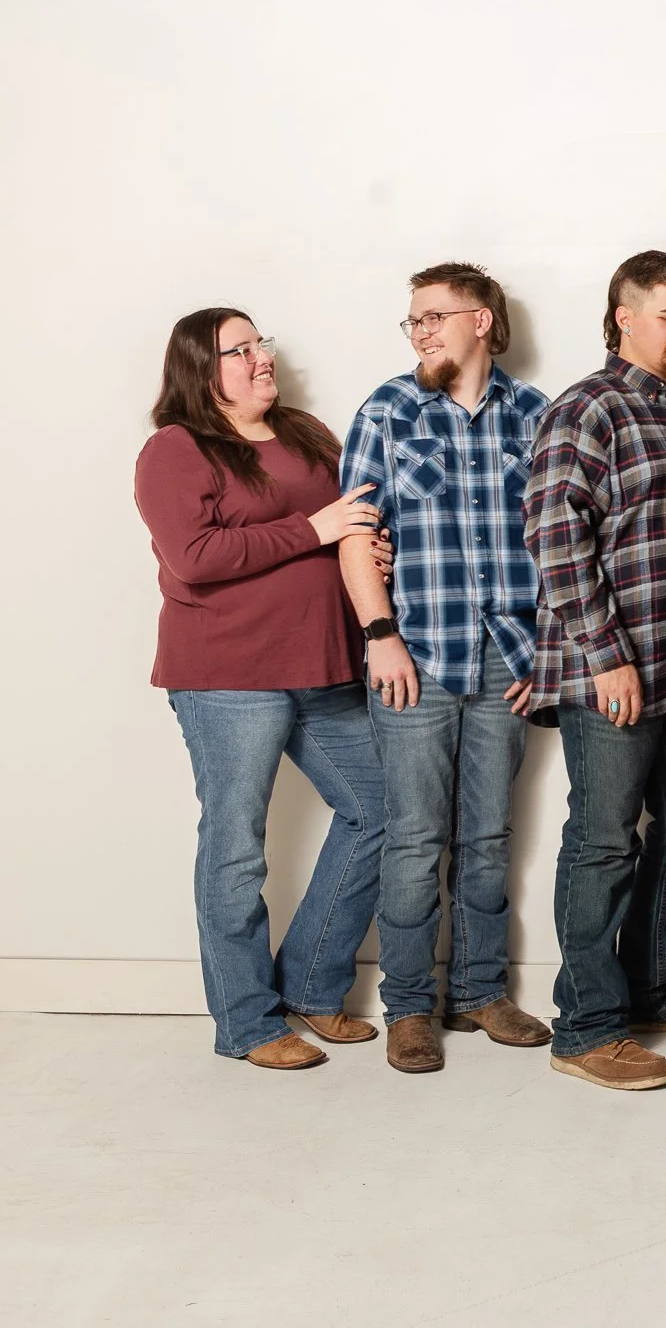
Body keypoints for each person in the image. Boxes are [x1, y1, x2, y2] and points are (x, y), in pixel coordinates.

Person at [134, 308, 389, 1068]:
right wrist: (316, 529)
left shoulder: (307, 432)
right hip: (227, 677)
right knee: (237, 850)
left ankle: (311, 984)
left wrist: (366, 537)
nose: (259, 358)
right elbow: (194, 557)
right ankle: (246, 1022)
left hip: (323, 667)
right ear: (198, 368)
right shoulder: (174, 449)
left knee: (383, 808)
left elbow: (350, 522)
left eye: (260, 343)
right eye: (237, 349)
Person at [336, 262, 555, 1073]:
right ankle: (408, 1007)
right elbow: (356, 531)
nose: (421, 331)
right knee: (415, 837)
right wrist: (379, 631)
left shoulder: (535, 416)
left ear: (483, 321)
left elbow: (559, 543)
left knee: (490, 835)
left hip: (508, 658)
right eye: (414, 320)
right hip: (415, 656)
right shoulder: (389, 409)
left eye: (434, 316)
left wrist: (550, 651)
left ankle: (481, 990)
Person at [524, 250, 666, 1090]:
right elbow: (555, 537)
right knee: (603, 842)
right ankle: (585, 1026)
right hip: (612, 673)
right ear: (623, 318)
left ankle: (652, 987)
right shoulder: (587, 409)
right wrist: (606, 657)